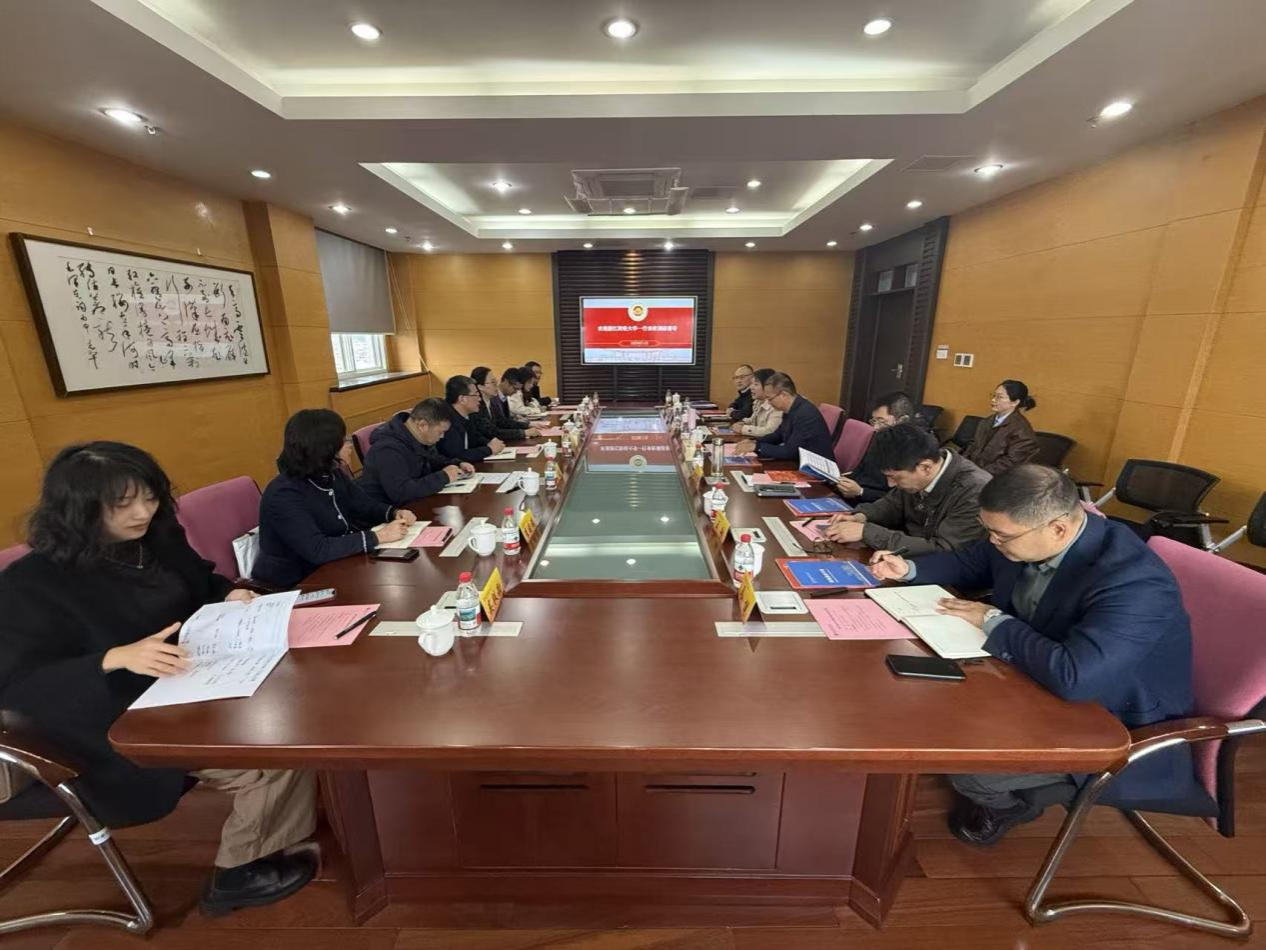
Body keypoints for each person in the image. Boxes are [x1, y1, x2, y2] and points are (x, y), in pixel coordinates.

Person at [0, 442, 320, 917]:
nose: (142, 513)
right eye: (122, 504)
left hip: (190, 679)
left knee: (298, 710)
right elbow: (20, 687)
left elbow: (200, 582)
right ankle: (238, 873)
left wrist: (228, 594)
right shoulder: (33, 583)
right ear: (78, 509)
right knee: (271, 755)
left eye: (149, 498)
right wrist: (112, 658)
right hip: (110, 717)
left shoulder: (156, 536)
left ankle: (275, 833)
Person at [869, 465, 1199, 845]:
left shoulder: (1134, 582)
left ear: (1057, 528)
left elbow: (1075, 679)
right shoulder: (1023, 534)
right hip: (1032, 673)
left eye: (1001, 535)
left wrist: (994, 621)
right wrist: (909, 569)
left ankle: (1010, 805)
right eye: (988, 530)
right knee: (923, 699)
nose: (993, 541)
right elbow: (975, 561)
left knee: (969, 767)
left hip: (1109, 716)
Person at [254, 410, 417, 588]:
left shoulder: (329, 473)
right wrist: (378, 537)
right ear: (325, 449)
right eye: (343, 440)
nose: (349, 444)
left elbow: (363, 505)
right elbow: (317, 549)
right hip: (297, 582)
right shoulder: (283, 494)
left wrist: (393, 513)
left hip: (337, 564)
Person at [825, 423, 989, 554]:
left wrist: (867, 533)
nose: (890, 484)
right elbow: (892, 504)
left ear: (925, 467)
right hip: (905, 559)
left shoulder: (974, 491)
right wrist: (861, 516)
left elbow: (943, 549)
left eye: (895, 478)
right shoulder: (916, 469)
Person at [358, 398, 471, 507]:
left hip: (414, 505)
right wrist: (444, 476)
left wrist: (456, 464)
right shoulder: (387, 449)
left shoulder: (416, 436)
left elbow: (432, 459)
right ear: (422, 425)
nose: (442, 437)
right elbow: (401, 493)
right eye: (440, 432)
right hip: (387, 511)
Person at [832, 392, 920, 505]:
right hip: (852, 496)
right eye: (874, 421)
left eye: (881, 421)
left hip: (874, 505)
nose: (875, 427)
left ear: (903, 420)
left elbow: (899, 500)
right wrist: (840, 480)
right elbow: (861, 469)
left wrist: (861, 492)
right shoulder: (879, 438)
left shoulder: (912, 450)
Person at [732, 372, 833, 461]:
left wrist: (756, 447)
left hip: (817, 470)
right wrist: (754, 442)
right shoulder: (791, 408)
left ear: (784, 395)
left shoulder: (805, 413)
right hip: (799, 462)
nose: (768, 402)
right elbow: (778, 435)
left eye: (770, 399)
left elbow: (790, 451)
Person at [961, 379, 1039, 475]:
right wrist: (963, 465)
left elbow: (1010, 463)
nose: (993, 400)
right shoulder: (987, 421)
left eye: (999, 397)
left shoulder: (1023, 431)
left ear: (1015, 402)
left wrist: (978, 474)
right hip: (972, 472)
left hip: (994, 477)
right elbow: (972, 445)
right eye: (994, 395)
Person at [439, 375, 507, 463]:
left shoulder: (470, 415)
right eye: (476, 395)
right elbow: (457, 455)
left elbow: (475, 437)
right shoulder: (447, 420)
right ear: (462, 399)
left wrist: (489, 442)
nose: (479, 399)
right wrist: (489, 450)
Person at [471, 366, 539, 443]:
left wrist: (526, 425)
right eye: (493, 382)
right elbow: (491, 432)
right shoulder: (476, 406)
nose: (496, 385)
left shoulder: (490, 402)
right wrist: (523, 433)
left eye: (496, 381)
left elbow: (502, 422)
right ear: (480, 387)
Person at [730, 368, 783, 439]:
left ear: (768, 386)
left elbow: (770, 431)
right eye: (751, 384)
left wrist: (743, 429)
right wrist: (743, 423)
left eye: (756, 384)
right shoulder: (758, 401)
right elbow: (753, 419)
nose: (751, 387)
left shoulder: (776, 405)